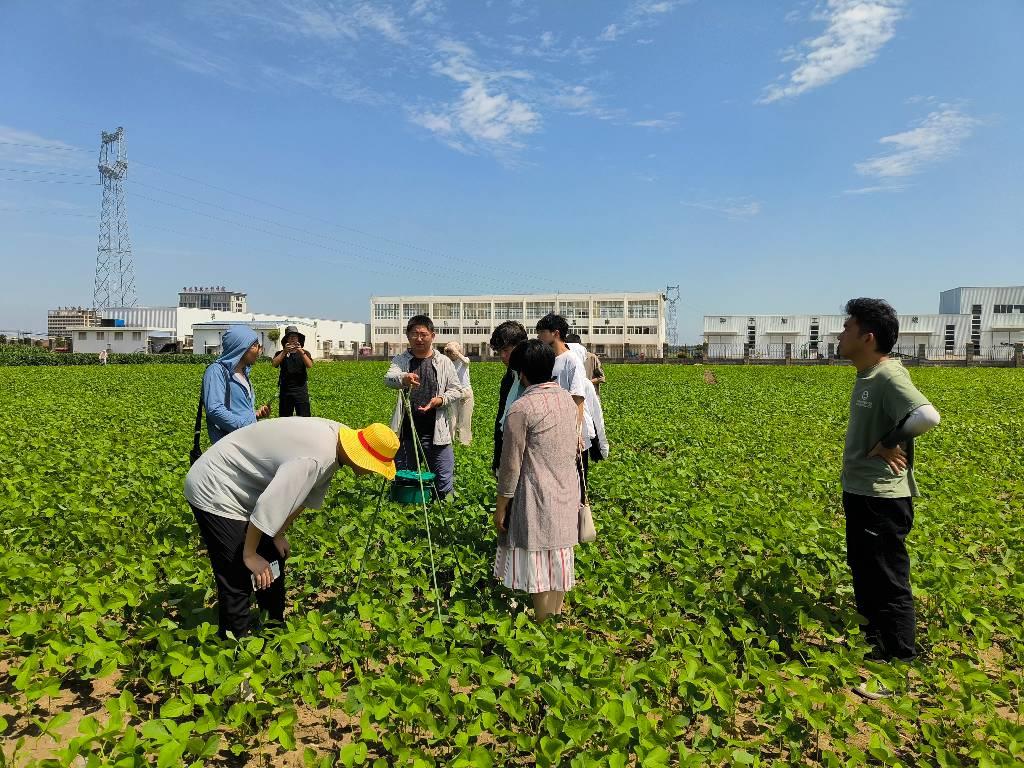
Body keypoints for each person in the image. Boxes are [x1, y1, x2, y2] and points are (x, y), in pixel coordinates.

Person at [185, 418, 398, 637]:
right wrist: (249, 554)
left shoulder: (338, 442)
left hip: (247, 487)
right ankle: (235, 649)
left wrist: (277, 534)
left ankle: (273, 631)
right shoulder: (314, 458)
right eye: (374, 467)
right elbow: (269, 504)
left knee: (272, 559)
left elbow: (302, 499)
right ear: (362, 458)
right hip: (216, 486)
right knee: (238, 573)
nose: (373, 472)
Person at [837, 298, 941, 698]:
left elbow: (928, 416)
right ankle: (875, 645)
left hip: (883, 498)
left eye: (848, 328)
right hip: (863, 492)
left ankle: (899, 665)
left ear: (868, 337)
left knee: (887, 578)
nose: (840, 335)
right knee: (864, 569)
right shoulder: (868, 374)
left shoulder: (888, 376)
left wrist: (889, 442)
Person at [494, 340, 580, 621]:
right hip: (567, 492)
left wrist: (501, 508)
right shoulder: (567, 400)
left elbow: (510, 467)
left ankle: (546, 628)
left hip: (535, 496)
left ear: (522, 373)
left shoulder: (521, 409)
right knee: (559, 562)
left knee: (540, 568)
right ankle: (554, 619)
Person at [384, 315, 465, 499]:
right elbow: (388, 379)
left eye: (423, 334)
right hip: (406, 432)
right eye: (414, 334)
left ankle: (441, 509)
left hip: (437, 431)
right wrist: (403, 378)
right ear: (408, 336)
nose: (419, 339)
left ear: (432, 336)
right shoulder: (401, 360)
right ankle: (407, 514)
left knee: (443, 480)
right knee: (404, 479)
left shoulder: (443, 361)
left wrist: (440, 400)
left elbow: (456, 390)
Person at [536, 313, 588, 498]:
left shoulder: (571, 360)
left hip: (571, 434)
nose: (539, 337)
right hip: (554, 431)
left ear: (555, 333)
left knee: (576, 491)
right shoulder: (548, 361)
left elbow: (578, 399)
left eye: (542, 332)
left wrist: (576, 433)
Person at [202, 325, 270, 444]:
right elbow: (215, 409)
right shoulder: (216, 371)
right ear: (242, 347)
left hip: (246, 439)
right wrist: (246, 426)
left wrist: (256, 415)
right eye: (256, 346)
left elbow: (238, 409)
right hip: (229, 443)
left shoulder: (243, 372)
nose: (259, 351)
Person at [489, 320, 529, 476]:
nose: (503, 357)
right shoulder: (509, 377)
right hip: (509, 449)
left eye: (506, 350)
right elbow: (502, 418)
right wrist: (498, 459)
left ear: (521, 346)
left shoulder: (535, 376)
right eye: (499, 352)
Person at [272, 325, 313, 417]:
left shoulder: (304, 353)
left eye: (295, 336)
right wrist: (284, 352)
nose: (293, 339)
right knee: (285, 418)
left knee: (304, 417)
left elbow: (309, 365)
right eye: (290, 337)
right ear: (286, 339)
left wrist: (300, 351)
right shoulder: (280, 353)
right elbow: (274, 364)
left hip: (301, 390)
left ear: (298, 339)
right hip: (285, 391)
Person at [443, 341, 473, 446]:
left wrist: (457, 353)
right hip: (453, 392)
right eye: (449, 352)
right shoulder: (447, 362)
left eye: (452, 351)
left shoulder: (464, 360)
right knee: (452, 419)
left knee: (465, 420)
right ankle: (450, 443)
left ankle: (464, 443)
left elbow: (466, 361)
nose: (451, 354)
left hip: (466, 392)